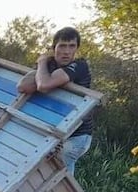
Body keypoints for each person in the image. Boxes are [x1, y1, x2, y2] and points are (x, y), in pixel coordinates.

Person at [17, 27, 92, 176]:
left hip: (77, 135)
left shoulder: (80, 66)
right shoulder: (48, 65)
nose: (67, 51)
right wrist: (43, 65)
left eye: (72, 46)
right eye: (62, 46)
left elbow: (43, 85)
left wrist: (43, 69)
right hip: (56, 132)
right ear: (54, 48)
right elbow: (23, 86)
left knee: (60, 176)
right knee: (42, 172)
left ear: (77, 48)